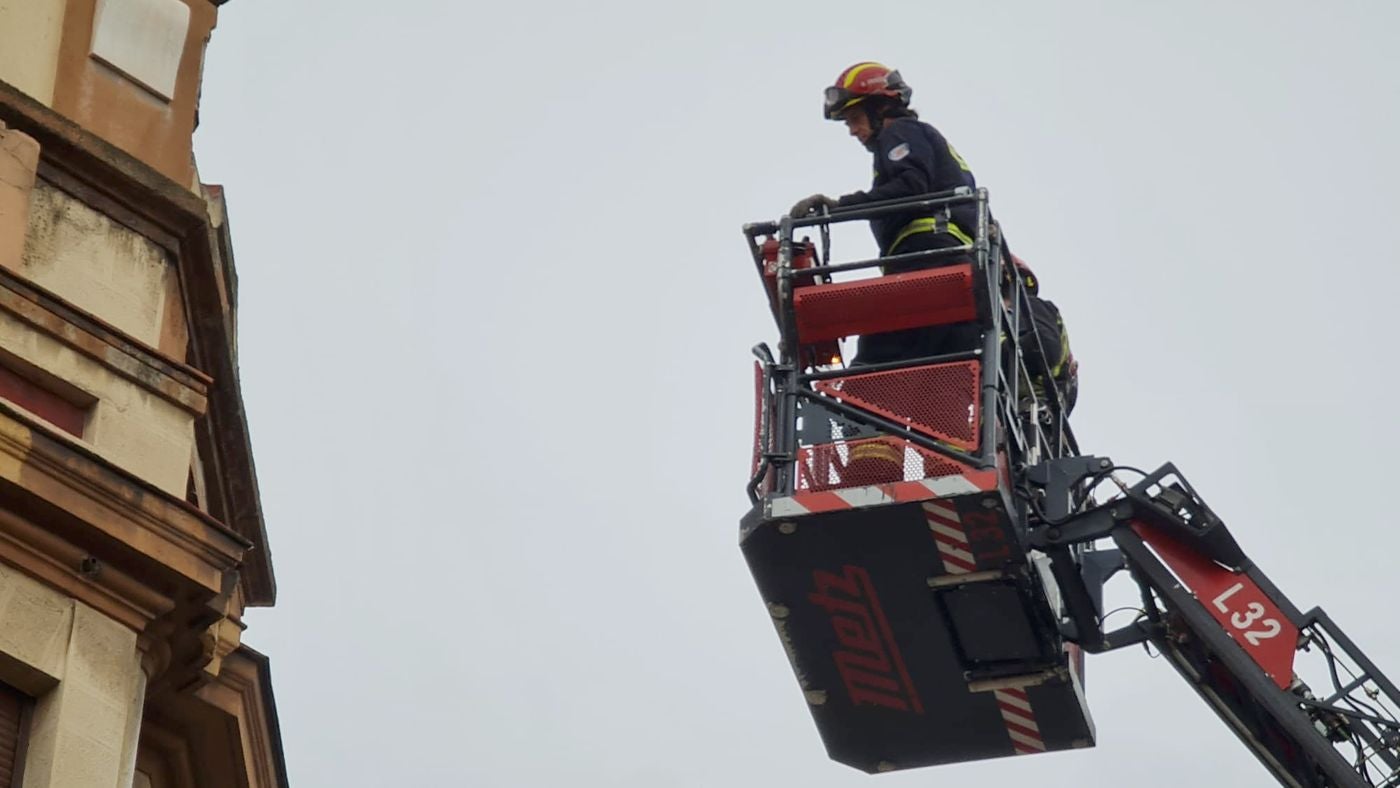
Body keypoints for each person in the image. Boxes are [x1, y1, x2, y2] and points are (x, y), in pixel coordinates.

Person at [790, 62, 981, 365]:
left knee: (871, 367)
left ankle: (849, 412)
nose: (853, 131)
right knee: (938, 380)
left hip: (926, 258)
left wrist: (840, 206)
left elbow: (911, 187)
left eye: (854, 118)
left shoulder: (901, 131)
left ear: (879, 108)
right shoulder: (920, 138)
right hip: (949, 266)